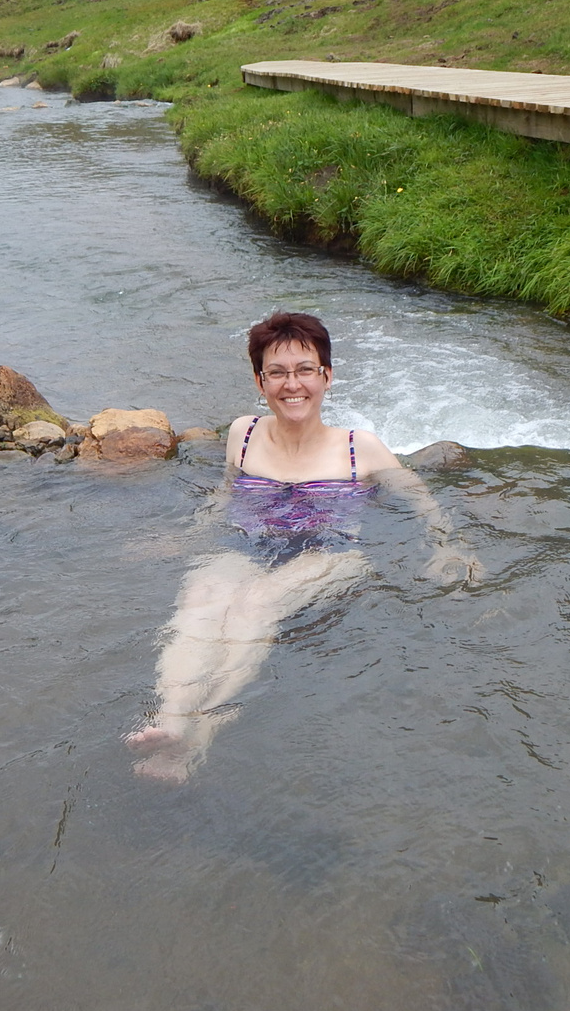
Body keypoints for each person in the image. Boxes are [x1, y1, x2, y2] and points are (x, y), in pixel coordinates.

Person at [126, 312, 481, 782]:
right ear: (260, 381)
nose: (292, 385)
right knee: (203, 597)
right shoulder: (243, 434)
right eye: (277, 372)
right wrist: (184, 537)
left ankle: (205, 724)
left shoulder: (360, 448)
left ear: (326, 377)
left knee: (256, 603)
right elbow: (223, 497)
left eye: (305, 370)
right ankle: (172, 716)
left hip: (332, 553)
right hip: (249, 546)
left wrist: (448, 547)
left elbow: (422, 500)